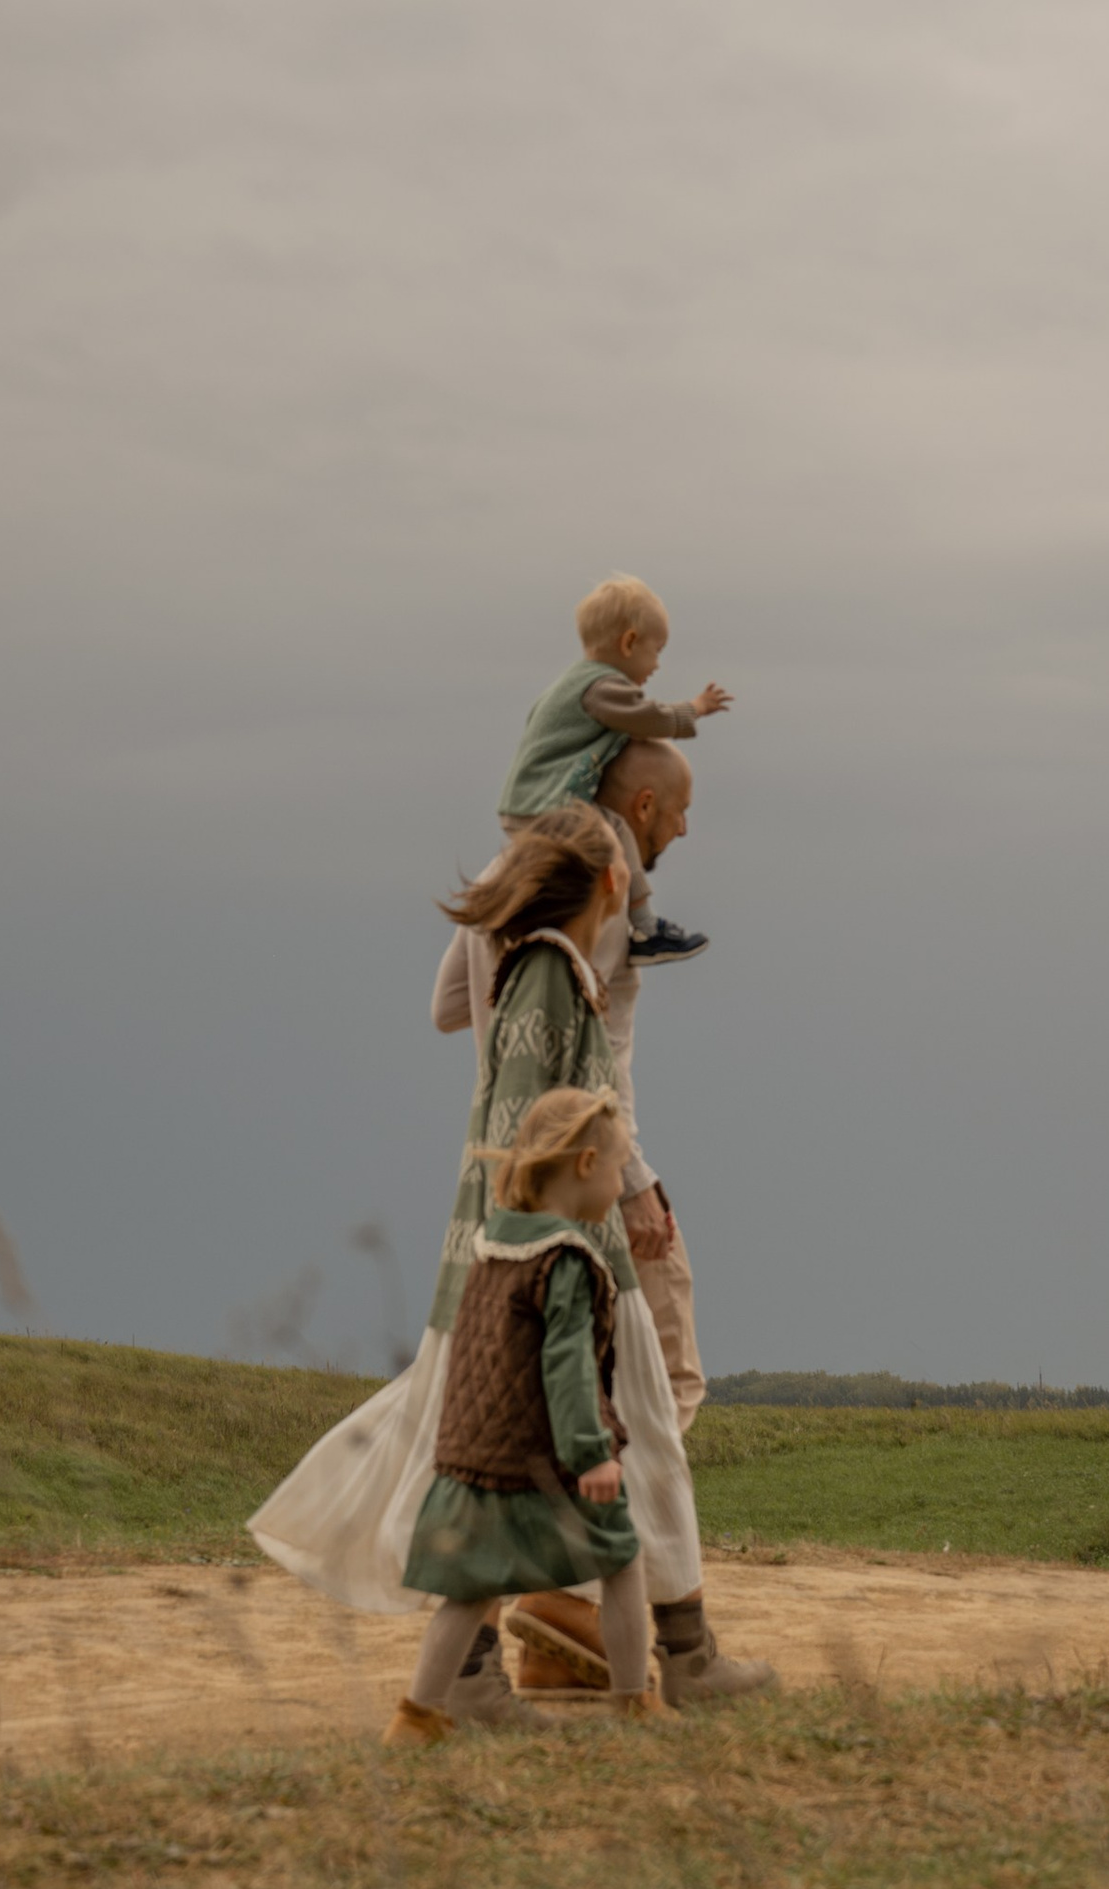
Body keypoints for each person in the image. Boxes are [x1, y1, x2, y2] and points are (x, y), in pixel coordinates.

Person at [248, 803, 772, 1707]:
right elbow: (525, 1127)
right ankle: (672, 1664)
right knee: (606, 1434)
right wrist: (544, 1257)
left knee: (511, 1443)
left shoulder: (553, 970)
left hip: (551, 1250)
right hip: (562, 1257)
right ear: (610, 883)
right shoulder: (548, 977)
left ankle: (518, 1669)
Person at [434, 736, 705, 1426]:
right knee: (661, 1364)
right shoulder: (601, 880)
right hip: (582, 1157)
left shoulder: (514, 863)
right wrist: (635, 1183)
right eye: (679, 811)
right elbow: (599, 1052)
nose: (683, 828)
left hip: (507, 1150)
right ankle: (633, 1483)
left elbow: (448, 1007)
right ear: (643, 804)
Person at [389, 1087, 663, 1743]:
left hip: (476, 1454)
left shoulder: (492, 1241)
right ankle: (634, 1700)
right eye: (619, 1167)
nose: (621, 1183)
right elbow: (566, 1365)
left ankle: (416, 1716)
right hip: (541, 1459)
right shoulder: (565, 1258)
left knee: (470, 1590)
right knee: (622, 1559)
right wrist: (591, 1452)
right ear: (586, 1164)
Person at [496, 572, 730, 965]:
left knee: (596, 843)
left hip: (526, 803)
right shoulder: (602, 688)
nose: (657, 665)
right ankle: (645, 927)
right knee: (612, 835)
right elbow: (648, 718)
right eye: (657, 650)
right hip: (547, 806)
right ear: (629, 642)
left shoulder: (571, 686)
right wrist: (695, 709)